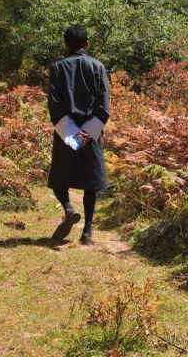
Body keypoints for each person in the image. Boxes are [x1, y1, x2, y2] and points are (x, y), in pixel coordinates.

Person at [46, 24, 111, 244]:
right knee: (91, 182)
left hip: (66, 128)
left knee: (58, 178)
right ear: (86, 43)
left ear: (65, 43)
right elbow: (103, 107)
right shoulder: (98, 67)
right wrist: (84, 136)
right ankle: (88, 232)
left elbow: (54, 104)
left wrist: (71, 134)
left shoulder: (57, 67)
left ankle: (68, 209)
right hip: (90, 131)